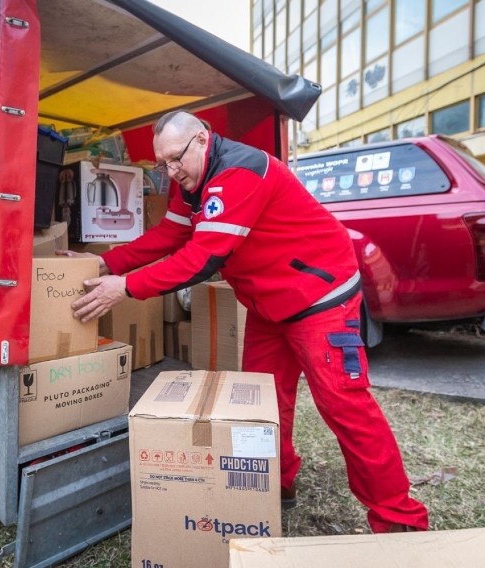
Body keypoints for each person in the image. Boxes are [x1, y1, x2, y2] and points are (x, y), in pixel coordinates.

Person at [62, 110, 429, 533]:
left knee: (344, 405)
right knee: (264, 403)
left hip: (318, 294)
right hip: (269, 302)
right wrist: (105, 262)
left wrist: (125, 288)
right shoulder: (191, 181)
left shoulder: (241, 172)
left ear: (203, 139)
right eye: (163, 163)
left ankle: (400, 523)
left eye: (176, 158)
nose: (172, 171)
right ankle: (276, 484)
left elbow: (202, 258)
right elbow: (168, 236)